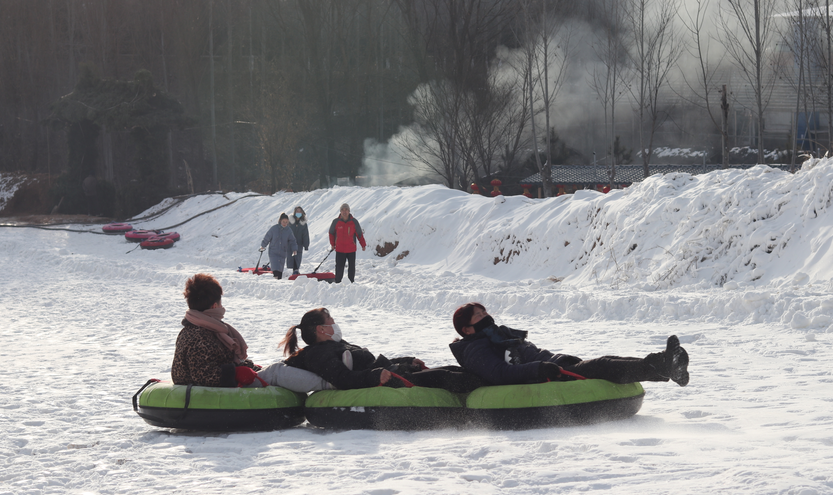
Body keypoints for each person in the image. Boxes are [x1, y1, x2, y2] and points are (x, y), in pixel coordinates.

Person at [449, 302, 690, 387]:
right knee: (602, 366)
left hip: (552, 365)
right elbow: (500, 373)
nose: (486, 317)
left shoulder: (499, 336)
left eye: (484, 311)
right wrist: (540, 368)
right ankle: (664, 366)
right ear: (467, 329)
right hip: (542, 376)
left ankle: (665, 365)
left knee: (605, 361)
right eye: (478, 316)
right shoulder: (475, 348)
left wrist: (551, 361)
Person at [281, 307, 485, 393]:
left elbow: (371, 363)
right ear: (321, 329)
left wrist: (406, 360)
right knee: (446, 376)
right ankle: (489, 390)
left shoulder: (335, 345)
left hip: (394, 373)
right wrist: (375, 376)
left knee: (452, 369)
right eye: (331, 320)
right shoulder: (319, 354)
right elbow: (343, 379)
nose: (335, 323)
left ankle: (492, 379)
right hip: (387, 382)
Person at [170, 273, 262, 387]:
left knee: (275, 371)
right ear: (214, 306)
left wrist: (252, 368)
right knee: (278, 374)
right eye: (221, 304)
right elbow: (203, 375)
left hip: (216, 392)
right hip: (204, 397)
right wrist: (236, 373)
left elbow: (223, 361)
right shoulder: (198, 336)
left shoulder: (210, 329)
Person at [328, 203, 366, 283]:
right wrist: (332, 244)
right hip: (340, 249)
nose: (344, 212)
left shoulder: (354, 222)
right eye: (342, 210)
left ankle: (351, 282)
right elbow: (331, 233)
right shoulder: (336, 222)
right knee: (339, 267)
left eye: (346, 210)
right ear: (340, 211)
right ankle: (338, 282)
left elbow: (359, 234)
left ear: (349, 211)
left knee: (351, 267)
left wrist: (363, 244)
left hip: (351, 249)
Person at [260, 213, 298, 280]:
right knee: (275, 268)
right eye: (283, 222)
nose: (285, 223)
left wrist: (294, 249)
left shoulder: (288, 231)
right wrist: (263, 245)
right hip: (273, 252)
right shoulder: (274, 229)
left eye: (286, 222)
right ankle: (275, 279)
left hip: (282, 253)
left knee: (280, 270)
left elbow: (293, 241)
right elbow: (267, 237)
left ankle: (278, 281)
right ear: (280, 221)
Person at [287, 206, 310, 275]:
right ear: (294, 212)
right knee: (291, 256)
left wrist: (306, 245)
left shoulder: (303, 224)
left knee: (297, 257)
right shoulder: (290, 222)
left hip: (299, 243)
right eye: (297, 211)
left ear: (302, 213)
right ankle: (294, 269)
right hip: (290, 243)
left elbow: (305, 235)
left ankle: (296, 270)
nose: (298, 213)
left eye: (300, 211)